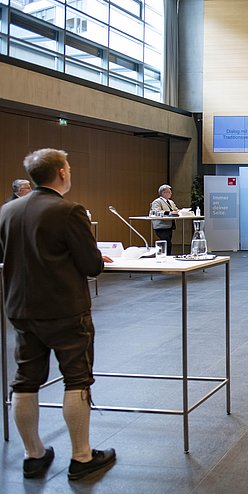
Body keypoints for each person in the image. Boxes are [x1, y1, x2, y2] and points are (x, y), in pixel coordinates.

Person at [0, 148, 116, 480]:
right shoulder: (68, 211)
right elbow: (91, 265)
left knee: (25, 379)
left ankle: (33, 455)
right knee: (76, 377)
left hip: (21, 309)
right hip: (64, 310)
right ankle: (81, 457)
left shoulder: (8, 211)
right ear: (62, 173)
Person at [151, 184, 179, 255]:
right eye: (169, 192)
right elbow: (157, 212)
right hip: (161, 226)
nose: (171, 193)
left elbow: (176, 209)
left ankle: (167, 255)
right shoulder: (157, 201)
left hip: (169, 225)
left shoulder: (171, 202)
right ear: (163, 193)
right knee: (167, 243)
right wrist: (170, 212)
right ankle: (164, 255)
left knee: (168, 243)